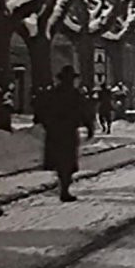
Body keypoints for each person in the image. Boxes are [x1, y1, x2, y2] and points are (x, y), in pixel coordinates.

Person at [40, 65, 94, 202]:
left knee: (60, 160)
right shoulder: (75, 94)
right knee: (67, 161)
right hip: (68, 131)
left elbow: (43, 111)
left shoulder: (53, 93)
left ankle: (63, 185)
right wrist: (89, 126)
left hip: (55, 132)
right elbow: (83, 111)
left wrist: (48, 125)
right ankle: (64, 188)